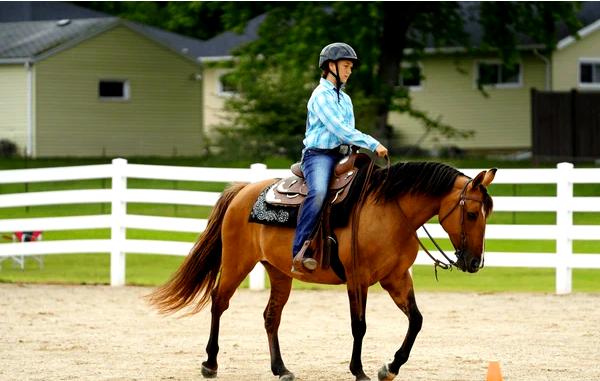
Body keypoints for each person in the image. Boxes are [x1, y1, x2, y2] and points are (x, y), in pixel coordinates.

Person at [292, 42, 388, 273]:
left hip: (343, 155)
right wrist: (372, 144)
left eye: (351, 67)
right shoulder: (320, 96)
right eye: (346, 66)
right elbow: (340, 129)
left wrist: (357, 149)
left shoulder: (345, 99)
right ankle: (299, 251)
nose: (349, 71)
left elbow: (349, 132)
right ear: (330, 66)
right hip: (319, 156)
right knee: (319, 192)